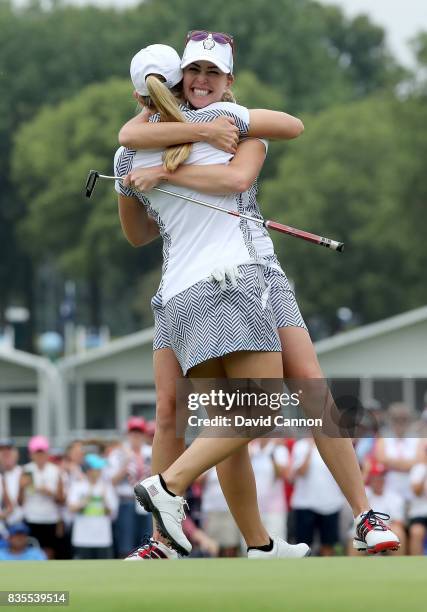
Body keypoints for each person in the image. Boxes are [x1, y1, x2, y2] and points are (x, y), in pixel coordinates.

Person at [118, 36, 400, 557]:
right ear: (177, 81)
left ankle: (353, 519)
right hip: (226, 281)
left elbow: (246, 168)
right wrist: (144, 175)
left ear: (228, 81)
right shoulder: (149, 144)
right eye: (193, 71)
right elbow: (141, 219)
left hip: (257, 273)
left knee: (307, 393)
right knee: (247, 413)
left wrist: (163, 172)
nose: (202, 81)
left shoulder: (227, 121)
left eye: (213, 72)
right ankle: (177, 498)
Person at [115, 42, 310, 561]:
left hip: (175, 296)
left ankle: (257, 545)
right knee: (260, 408)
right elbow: (289, 129)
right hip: (226, 284)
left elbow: (136, 234)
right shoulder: (222, 116)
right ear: (180, 81)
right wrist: (201, 136)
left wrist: (156, 181)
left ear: (138, 93)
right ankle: (170, 486)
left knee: (220, 421)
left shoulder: (128, 153)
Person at [290, 437, 344, 556]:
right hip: (305, 504)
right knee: (303, 546)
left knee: (328, 545)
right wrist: (310, 449)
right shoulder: (301, 446)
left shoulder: (335, 444)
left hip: (331, 503)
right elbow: (301, 471)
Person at [108, 417, 152, 557]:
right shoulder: (118, 453)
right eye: (133, 432)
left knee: (147, 542)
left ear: (144, 434)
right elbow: (112, 480)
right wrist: (126, 462)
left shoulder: (151, 452)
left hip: (146, 501)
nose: (136, 436)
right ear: (128, 434)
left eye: (139, 433)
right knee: (126, 543)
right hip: (126, 500)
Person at [18, 435, 64, 559]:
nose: (39, 456)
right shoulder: (26, 470)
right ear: (31, 454)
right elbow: (20, 502)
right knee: (30, 551)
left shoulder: (55, 471)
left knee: (49, 552)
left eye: (42, 453)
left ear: (47, 453)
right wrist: (22, 487)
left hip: (50, 518)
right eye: (36, 453)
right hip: (31, 517)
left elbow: (61, 500)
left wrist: (50, 493)